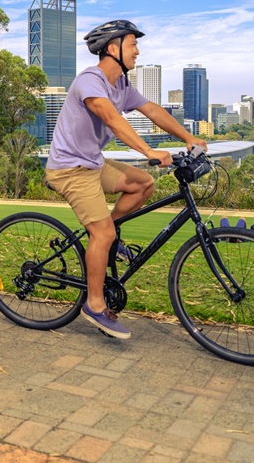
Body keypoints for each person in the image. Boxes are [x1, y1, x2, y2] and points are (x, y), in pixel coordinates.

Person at [46, 20, 208, 340]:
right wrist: (149, 150)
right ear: (112, 48)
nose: (138, 50)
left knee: (143, 184)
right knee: (102, 232)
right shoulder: (89, 81)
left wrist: (190, 138)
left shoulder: (122, 86)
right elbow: (113, 120)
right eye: (132, 44)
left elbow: (153, 110)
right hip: (69, 169)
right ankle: (94, 305)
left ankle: (106, 239)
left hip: (92, 163)